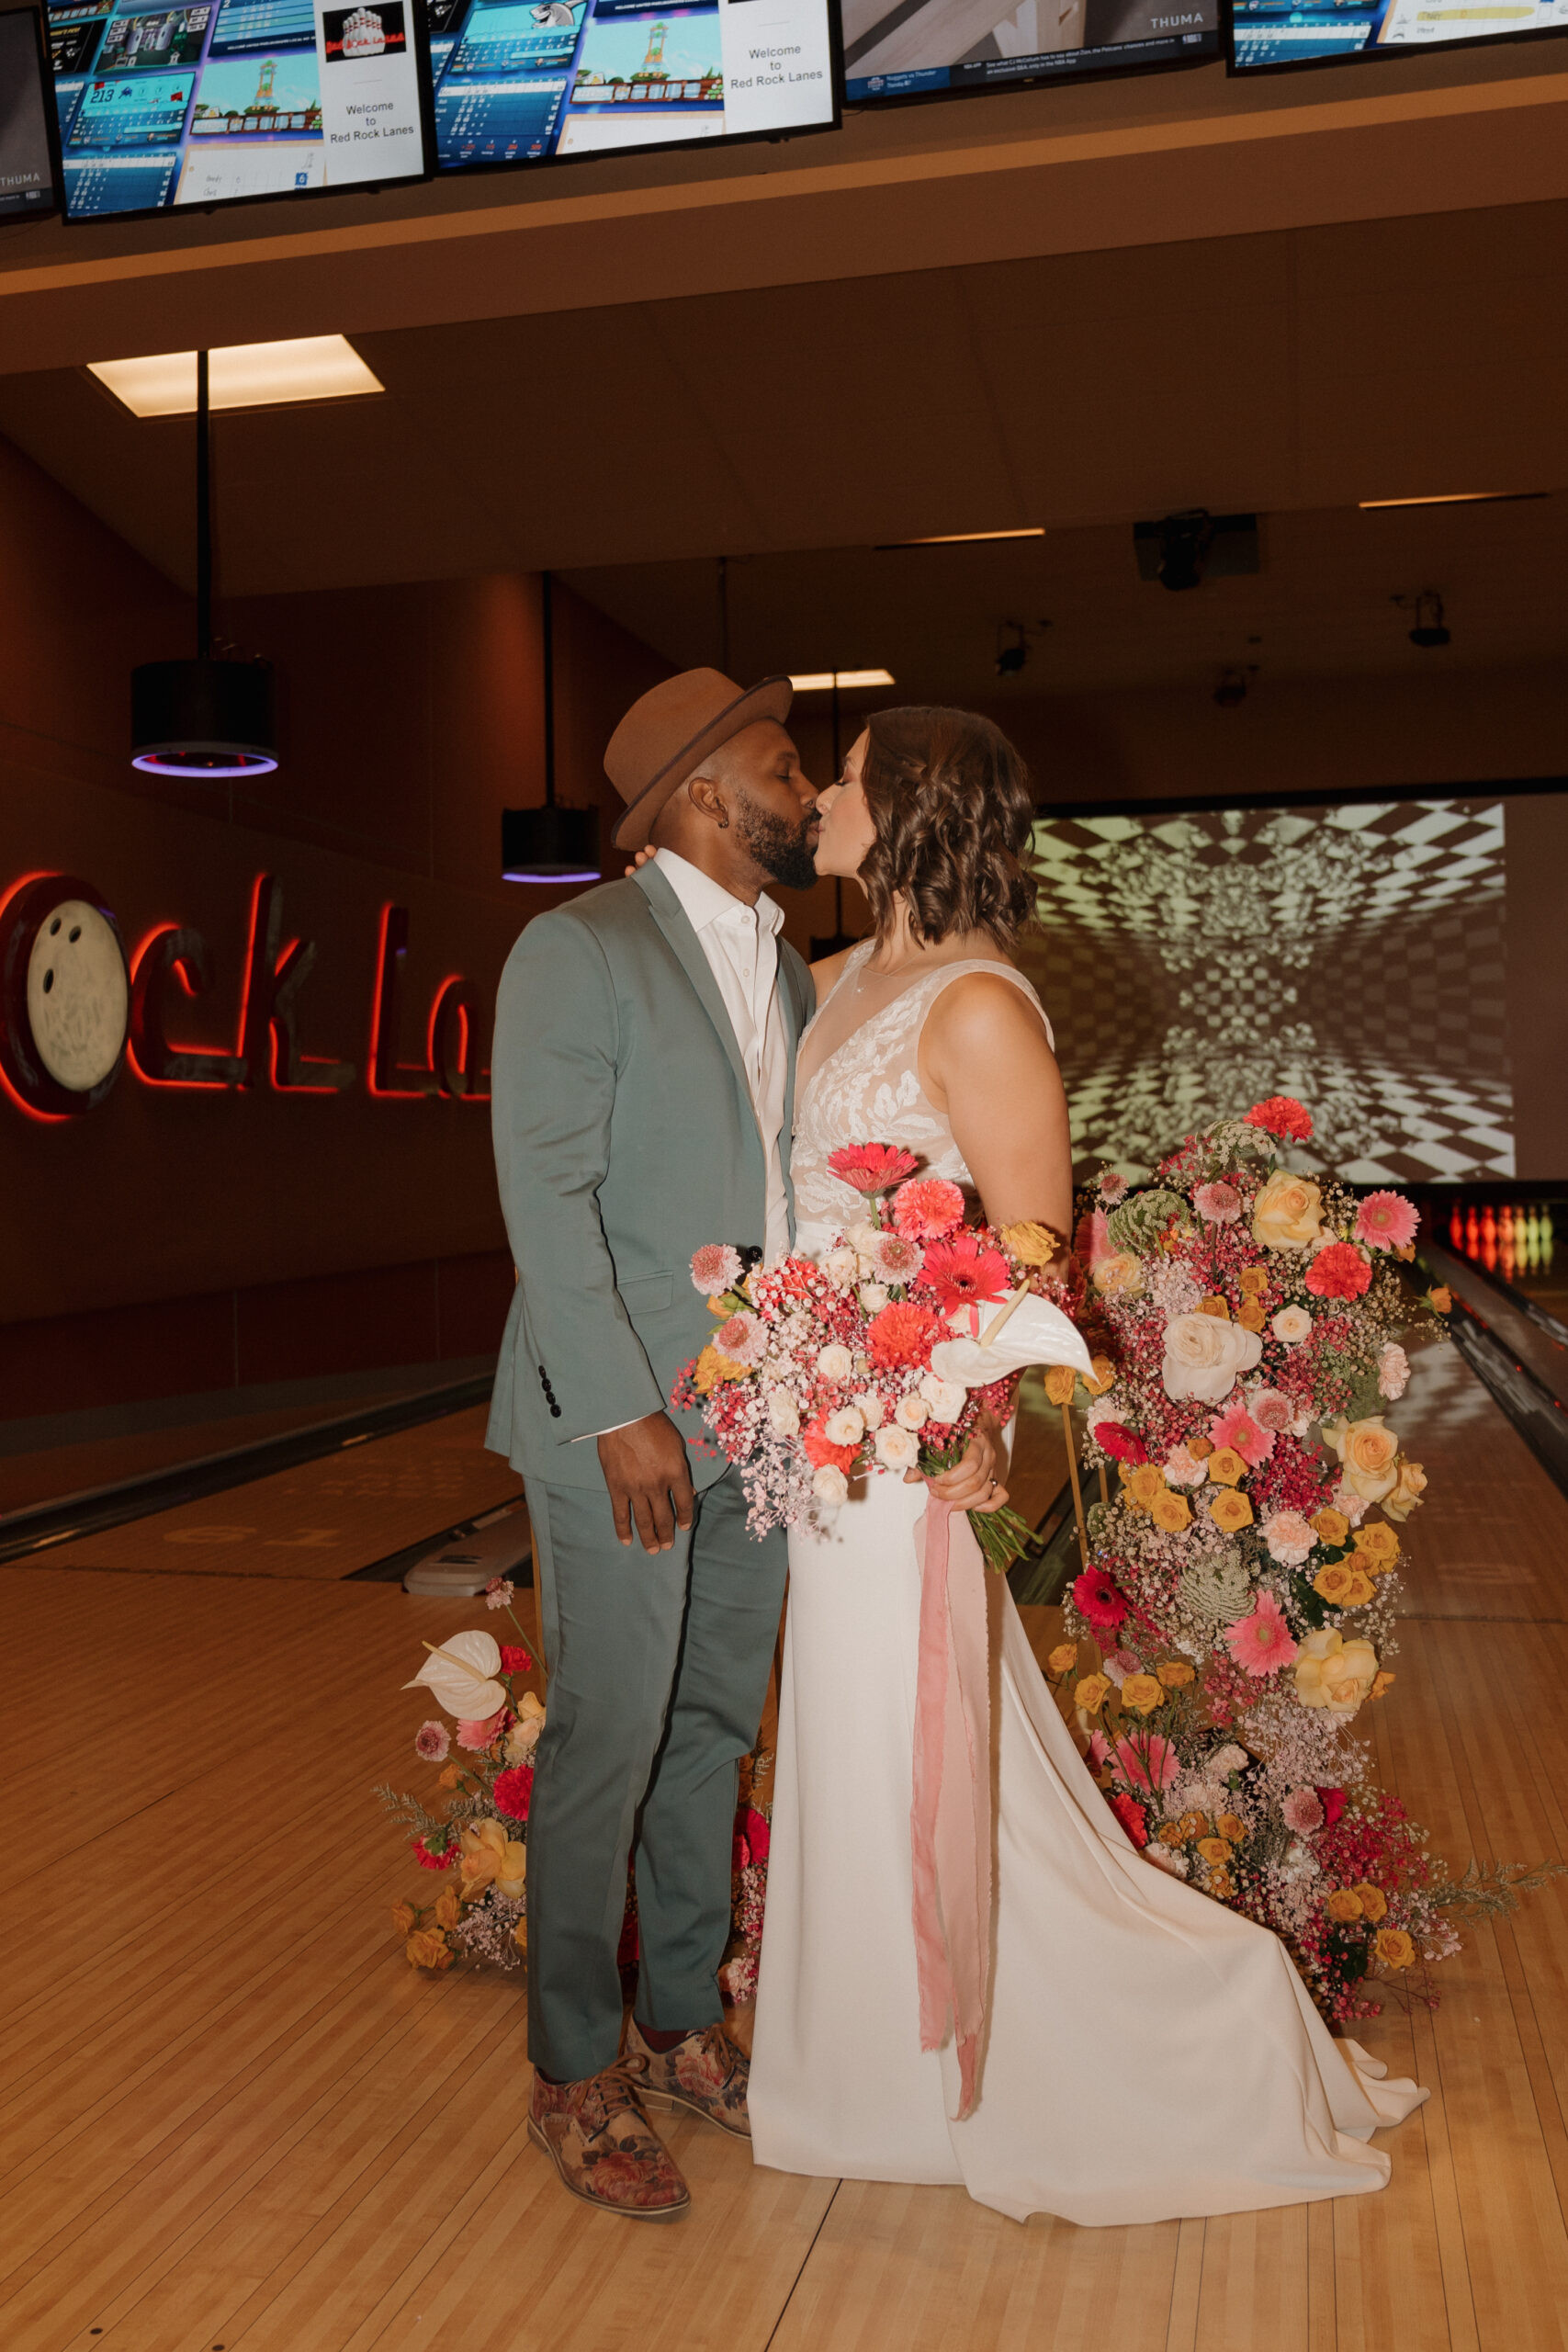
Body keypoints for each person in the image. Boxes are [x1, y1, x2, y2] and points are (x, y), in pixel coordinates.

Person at [748, 704, 1427, 2225]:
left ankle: (925, 2078)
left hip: (907, 1441)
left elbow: (1033, 1252)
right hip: (820, 1432)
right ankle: (849, 2063)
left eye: (850, 777)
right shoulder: (840, 974)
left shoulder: (982, 1007)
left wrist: (971, 1424)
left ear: (915, 808)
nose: (824, 797)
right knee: (856, 1743)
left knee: (902, 1737)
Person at [487, 669, 998, 2222]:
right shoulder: (576, 951)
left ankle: (684, 2020)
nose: (807, 792)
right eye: (790, 767)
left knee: (712, 1726)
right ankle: (576, 2072)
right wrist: (622, 1408)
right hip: (620, 1425)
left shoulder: (788, 969)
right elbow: (544, 1192)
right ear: (710, 793)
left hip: (761, 1424)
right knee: (609, 1737)